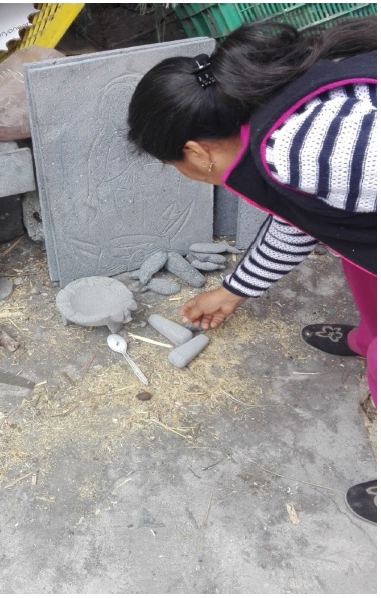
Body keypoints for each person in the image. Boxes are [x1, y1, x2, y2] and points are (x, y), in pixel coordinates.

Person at [128, 17, 376, 524]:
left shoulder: (316, 150)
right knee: (358, 261)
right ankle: (366, 338)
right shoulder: (267, 118)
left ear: (195, 151)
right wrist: (234, 290)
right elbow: (304, 217)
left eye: (174, 166)